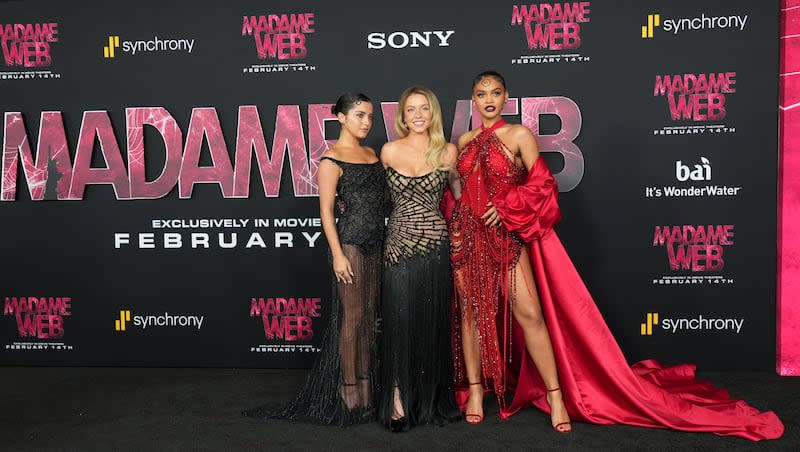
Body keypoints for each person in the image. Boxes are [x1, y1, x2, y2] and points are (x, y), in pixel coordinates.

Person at [444, 70, 784, 440]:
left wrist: (506, 207)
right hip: (468, 236)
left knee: (530, 314)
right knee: (471, 316)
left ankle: (557, 397)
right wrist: (462, 211)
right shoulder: (464, 139)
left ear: (506, 96)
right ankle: (476, 392)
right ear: (473, 99)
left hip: (506, 236)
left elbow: (543, 185)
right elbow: (460, 185)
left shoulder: (519, 135)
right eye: (481, 93)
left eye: (495, 92)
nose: (489, 98)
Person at [243, 93, 385, 426]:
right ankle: (349, 389)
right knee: (352, 318)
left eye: (370, 117)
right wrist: (337, 255)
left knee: (368, 317)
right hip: (349, 244)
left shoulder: (371, 154)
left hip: (376, 244)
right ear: (341, 118)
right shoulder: (331, 160)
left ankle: (366, 386)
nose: (366, 122)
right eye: (360, 115)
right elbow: (325, 211)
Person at [378, 85, 462, 432]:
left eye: (423, 109)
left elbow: (461, 198)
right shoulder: (387, 151)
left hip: (433, 245)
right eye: (410, 109)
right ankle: (397, 398)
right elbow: (378, 198)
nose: (417, 115)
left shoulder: (448, 152)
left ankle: (429, 397)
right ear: (402, 114)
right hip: (397, 244)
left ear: (433, 114)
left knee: (430, 321)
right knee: (398, 322)